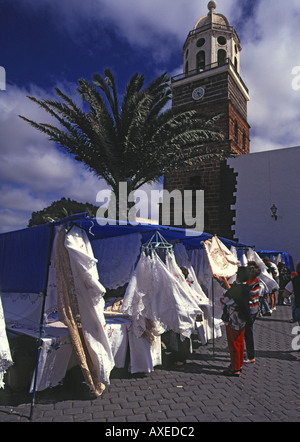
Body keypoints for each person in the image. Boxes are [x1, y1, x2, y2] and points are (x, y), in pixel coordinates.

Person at [218, 267, 250, 377]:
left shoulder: (237, 288)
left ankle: (235, 367)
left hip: (234, 318)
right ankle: (238, 364)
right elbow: (231, 291)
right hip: (242, 318)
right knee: (240, 342)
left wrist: (222, 298)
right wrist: (222, 281)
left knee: (233, 343)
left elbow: (226, 299)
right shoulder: (246, 287)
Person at [244, 261, 263, 363]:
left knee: (248, 333)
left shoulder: (248, 284)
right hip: (255, 309)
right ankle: (249, 354)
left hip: (249, 310)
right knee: (248, 332)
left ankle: (251, 356)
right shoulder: (257, 281)